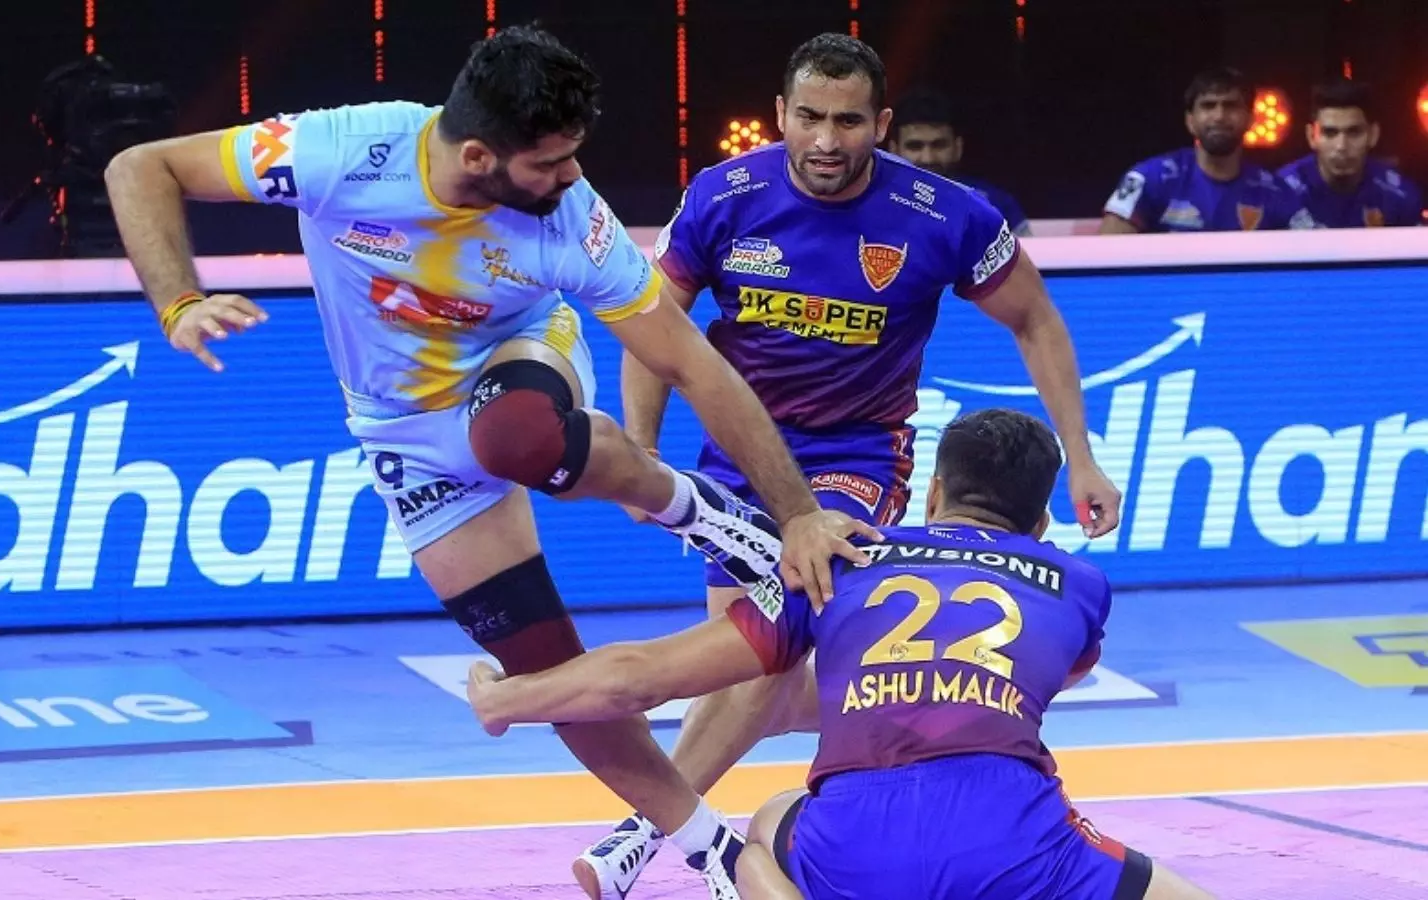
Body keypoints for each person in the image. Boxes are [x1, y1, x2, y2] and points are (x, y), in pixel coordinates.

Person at [102, 24, 878, 900]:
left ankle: (696, 512)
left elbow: (693, 363)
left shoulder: (572, 220)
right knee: (547, 674)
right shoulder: (342, 153)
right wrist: (179, 302)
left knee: (511, 436)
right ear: (479, 156)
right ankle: (708, 850)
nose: (573, 177)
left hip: (519, 366)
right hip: (399, 430)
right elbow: (140, 167)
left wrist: (797, 513)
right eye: (551, 162)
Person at [581, 31, 1124, 899]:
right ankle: (890, 722)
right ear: (780, 115)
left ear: (882, 123)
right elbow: (656, 328)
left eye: (847, 121)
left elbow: (1035, 319)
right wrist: (643, 456)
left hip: (856, 458)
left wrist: (1083, 459)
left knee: (773, 640)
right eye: (809, 118)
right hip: (737, 455)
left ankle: (645, 834)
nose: (826, 140)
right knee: (764, 674)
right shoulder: (724, 196)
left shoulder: (946, 215)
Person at [468, 408, 1215, 900]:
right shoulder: (1080, 583)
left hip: (852, 845)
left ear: (933, 495)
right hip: (1014, 844)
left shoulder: (838, 560)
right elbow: (1055, 672)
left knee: (764, 828)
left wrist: (507, 700)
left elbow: (639, 680)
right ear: (1042, 522)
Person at [1101, 67, 1315, 233]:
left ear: (1250, 119)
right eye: (1208, 106)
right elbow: (1109, 252)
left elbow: (1314, 251)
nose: (1219, 116)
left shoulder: (1274, 191)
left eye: (1230, 105)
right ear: (1190, 121)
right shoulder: (1149, 178)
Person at [1277, 78, 1423, 228]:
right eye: (1330, 133)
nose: (1341, 146)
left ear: (1373, 135)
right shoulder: (1281, 193)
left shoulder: (1401, 197)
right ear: (1311, 136)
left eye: (1354, 133)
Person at [886, 89, 1032, 236]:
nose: (928, 158)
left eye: (939, 145)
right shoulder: (877, 202)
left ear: (958, 147)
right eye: (915, 146)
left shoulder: (994, 204)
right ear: (894, 150)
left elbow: (1027, 248)